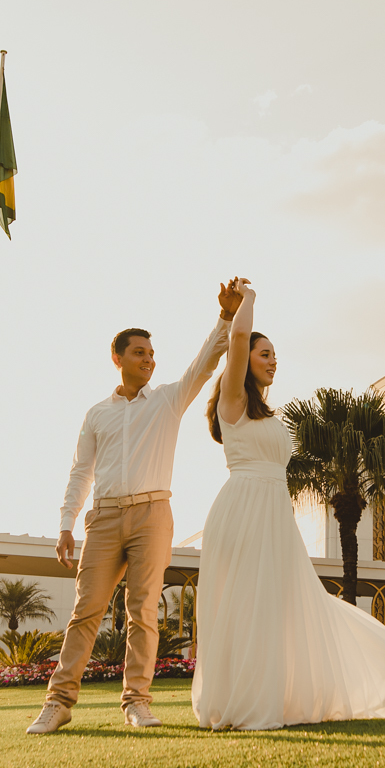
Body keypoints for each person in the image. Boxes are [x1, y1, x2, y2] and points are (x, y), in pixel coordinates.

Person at [193, 280, 385, 729]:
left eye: (275, 355)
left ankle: (275, 696)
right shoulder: (233, 399)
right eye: (266, 354)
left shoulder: (266, 413)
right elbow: (239, 339)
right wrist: (249, 301)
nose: (273, 360)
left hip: (273, 514)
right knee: (246, 605)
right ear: (245, 363)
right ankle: (240, 702)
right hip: (242, 508)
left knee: (284, 606)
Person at [27, 279, 244, 734]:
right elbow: (79, 472)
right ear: (118, 358)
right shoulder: (96, 413)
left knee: (143, 612)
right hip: (103, 519)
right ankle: (59, 702)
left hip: (152, 514)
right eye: (140, 352)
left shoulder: (167, 399)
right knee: (85, 612)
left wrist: (225, 316)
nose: (149, 359)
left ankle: (137, 702)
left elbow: (205, 363)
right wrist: (67, 524)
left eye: (151, 353)